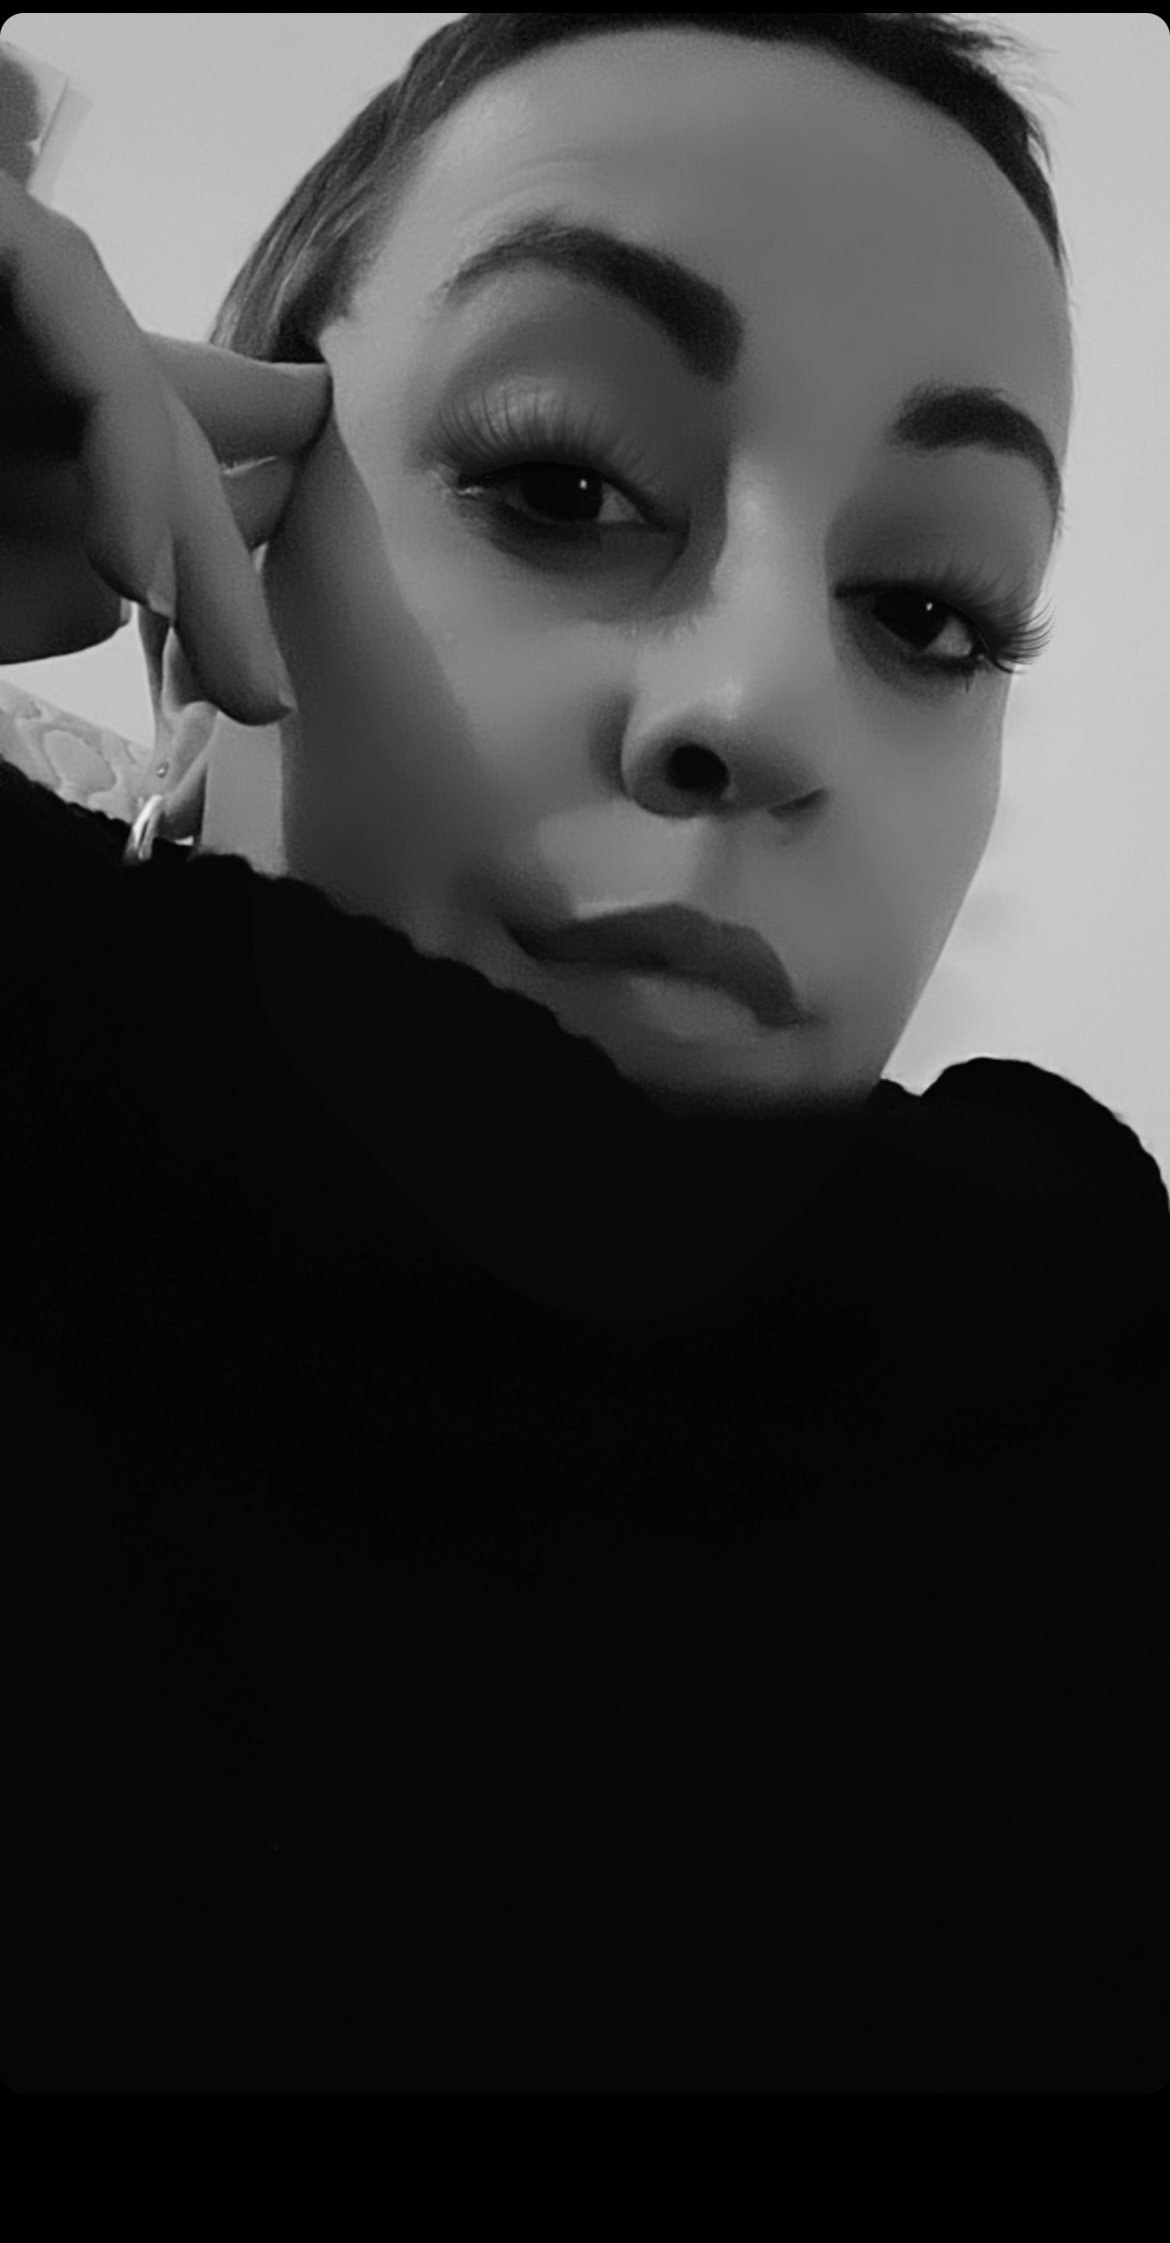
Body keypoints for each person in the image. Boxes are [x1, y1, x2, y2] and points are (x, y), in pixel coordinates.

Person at [2, 16, 1165, 2094]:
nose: (763, 703)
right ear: (192, 571)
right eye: (562, 483)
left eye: (931, 607)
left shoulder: (1067, 1428)